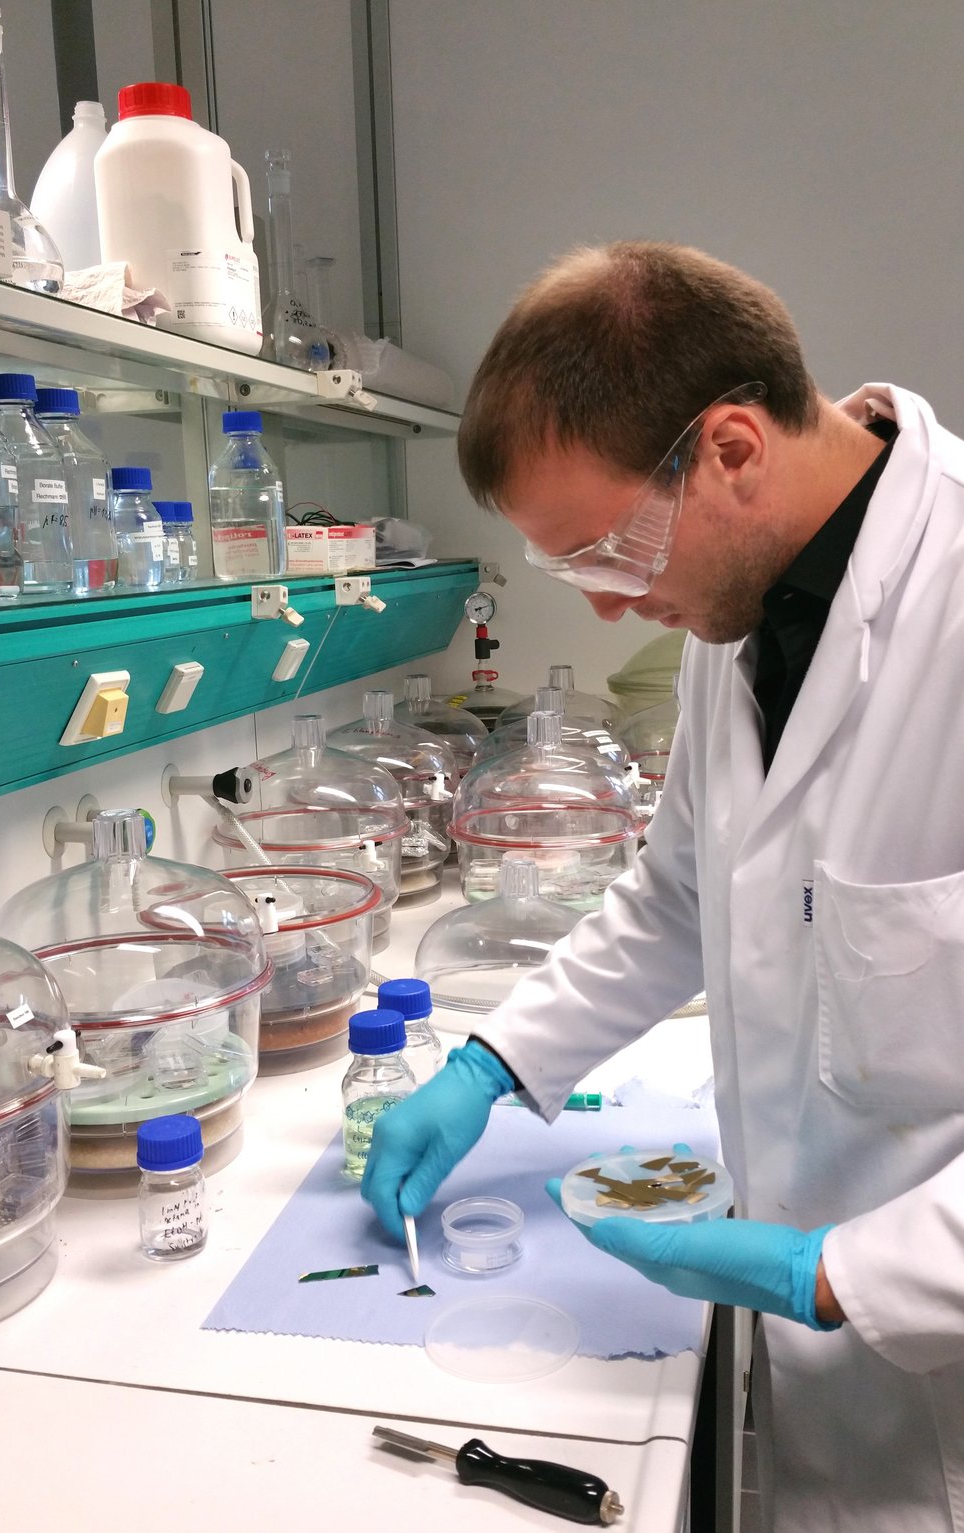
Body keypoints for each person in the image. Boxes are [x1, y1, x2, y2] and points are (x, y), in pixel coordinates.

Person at [361, 241, 964, 1533]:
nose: (617, 606)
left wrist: (848, 1272)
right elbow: (679, 896)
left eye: (611, 548)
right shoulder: (735, 611)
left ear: (734, 448)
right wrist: (491, 1061)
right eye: (575, 570)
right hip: (827, 1391)